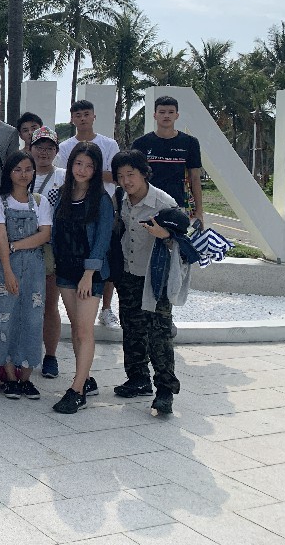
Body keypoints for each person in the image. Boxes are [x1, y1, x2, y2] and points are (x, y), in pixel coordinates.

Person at [111, 150, 180, 414]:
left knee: (159, 334)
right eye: (120, 176)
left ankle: (165, 390)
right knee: (131, 327)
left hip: (155, 278)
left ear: (143, 173)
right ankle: (138, 378)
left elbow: (182, 244)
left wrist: (165, 235)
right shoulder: (121, 199)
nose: (126, 181)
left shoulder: (163, 203)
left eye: (131, 174)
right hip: (129, 273)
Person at [50, 143, 114, 414]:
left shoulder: (102, 199)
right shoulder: (62, 194)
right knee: (77, 328)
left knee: (84, 331)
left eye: (89, 166)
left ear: (96, 169)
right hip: (66, 269)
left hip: (90, 274)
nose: (83, 170)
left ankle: (77, 390)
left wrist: (89, 274)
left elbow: (102, 239)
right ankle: (85, 378)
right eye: (78, 163)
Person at [0, 151, 52, 400]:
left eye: (28, 169)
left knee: (32, 320)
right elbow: (0, 237)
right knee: (3, 319)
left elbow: (45, 235)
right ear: (9, 173)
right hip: (4, 267)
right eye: (18, 170)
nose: (24, 174)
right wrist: (8, 271)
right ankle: (11, 377)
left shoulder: (40, 202)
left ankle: (27, 378)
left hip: (34, 268)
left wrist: (16, 246)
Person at [57, 100, 121, 329]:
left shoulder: (109, 144)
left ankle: (106, 308)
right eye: (78, 115)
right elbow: (67, 176)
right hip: (74, 206)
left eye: (86, 114)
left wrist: (91, 174)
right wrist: (95, 171)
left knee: (104, 254)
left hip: (104, 206)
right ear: (72, 118)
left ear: (94, 116)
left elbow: (116, 176)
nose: (82, 118)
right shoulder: (65, 147)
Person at [131, 95, 204, 227]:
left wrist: (199, 212)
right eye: (162, 112)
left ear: (177, 115)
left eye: (171, 112)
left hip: (178, 204)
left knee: (175, 240)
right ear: (155, 115)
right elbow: (133, 176)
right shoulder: (141, 143)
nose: (166, 116)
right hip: (147, 204)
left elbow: (195, 178)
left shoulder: (190, 142)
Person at [29, 126, 67, 379]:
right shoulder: (20, 171)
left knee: (50, 304)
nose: (43, 152)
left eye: (49, 148)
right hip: (22, 244)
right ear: (30, 148)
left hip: (51, 246)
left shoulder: (64, 177)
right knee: (22, 302)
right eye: (39, 147)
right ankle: (22, 353)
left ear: (56, 151)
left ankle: (50, 356)